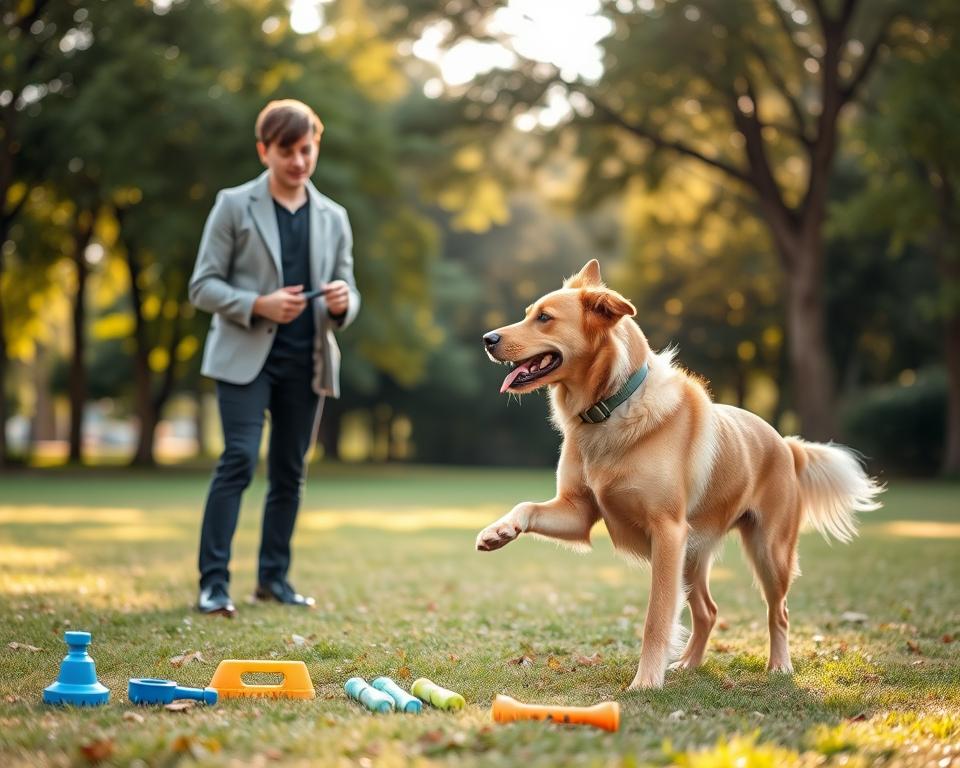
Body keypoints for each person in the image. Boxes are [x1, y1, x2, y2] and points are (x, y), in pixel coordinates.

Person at [188, 99, 360, 617]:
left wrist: (344, 302)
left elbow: (349, 286)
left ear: (315, 147)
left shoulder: (334, 216)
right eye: (287, 151)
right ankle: (213, 584)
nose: (299, 161)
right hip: (244, 357)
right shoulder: (233, 205)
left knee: (289, 473)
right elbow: (202, 285)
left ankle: (273, 580)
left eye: (306, 150)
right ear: (265, 150)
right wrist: (256, 304)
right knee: (237, 460)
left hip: (306, 362)